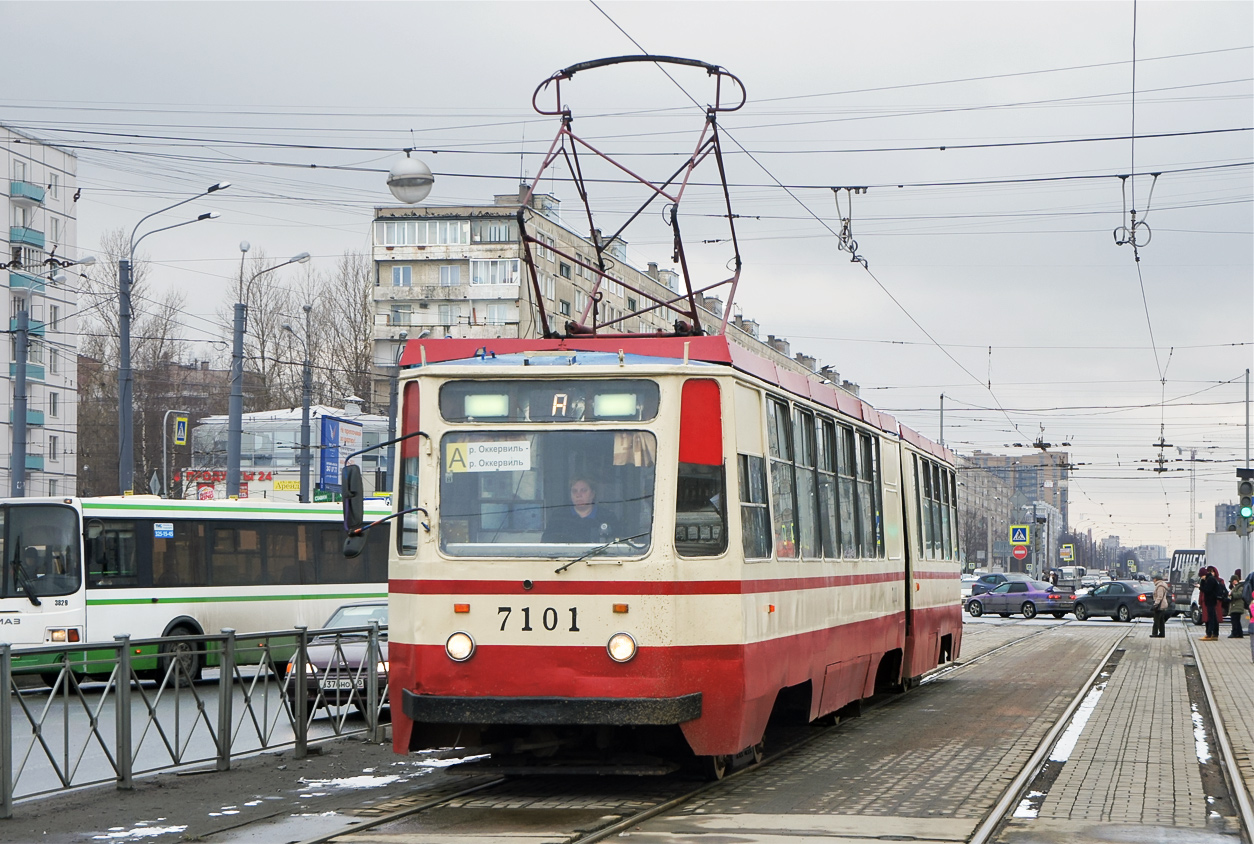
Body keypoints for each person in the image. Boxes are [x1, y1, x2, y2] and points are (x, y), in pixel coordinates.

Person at [542, 477, 618, 543]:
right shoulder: (559, 517)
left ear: (592, 494)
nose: (578, 495)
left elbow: (618, 547)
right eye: (574, 491)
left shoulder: (607, 517)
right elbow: (546, 544)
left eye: (584, 490)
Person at [1199, 567, 1223, 641]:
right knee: (1213, 617)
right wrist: (1202, 583)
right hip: (1209, 601)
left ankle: (1210, 634)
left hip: (1211, 601)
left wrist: (1200, 587)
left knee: (1211, 618)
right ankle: (1214, 634)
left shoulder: (1211, 580)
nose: (1201, 578)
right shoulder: (1208, 579)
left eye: (1201, 576)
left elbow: (1207, 590)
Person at [1228, 569, 1246, 639]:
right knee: (1236, 620)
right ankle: (1239, 633)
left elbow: (1239, 595)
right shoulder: (1235, 587)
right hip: (1235, 606)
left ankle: (1235, 633)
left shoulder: (1240, 587)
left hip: (1237, 606)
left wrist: (1232, 593)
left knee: (1235, 620)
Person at [1150, 574, 1170, 638]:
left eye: (1154, 579)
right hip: (1162, 604)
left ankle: (1155, 633)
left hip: (1160, 605)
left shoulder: (1160, 586)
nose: (1153, 580)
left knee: (1156, 620)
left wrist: (1155, 604)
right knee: (1161, 620)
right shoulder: (1161, 585)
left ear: (1156, 579)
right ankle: (1162, 633)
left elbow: (1160, 596)